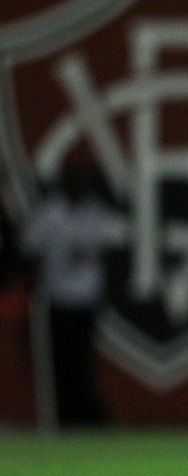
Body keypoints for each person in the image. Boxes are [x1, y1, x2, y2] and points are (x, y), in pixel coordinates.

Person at [21, 161, 118, 426]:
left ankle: (87, 416)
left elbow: (110, 248)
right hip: (58, 299)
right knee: (61, 364)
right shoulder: (51, 214)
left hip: (86, 300)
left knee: (82, 363)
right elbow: (28, 247)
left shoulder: (95, 212)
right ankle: (69, 417)